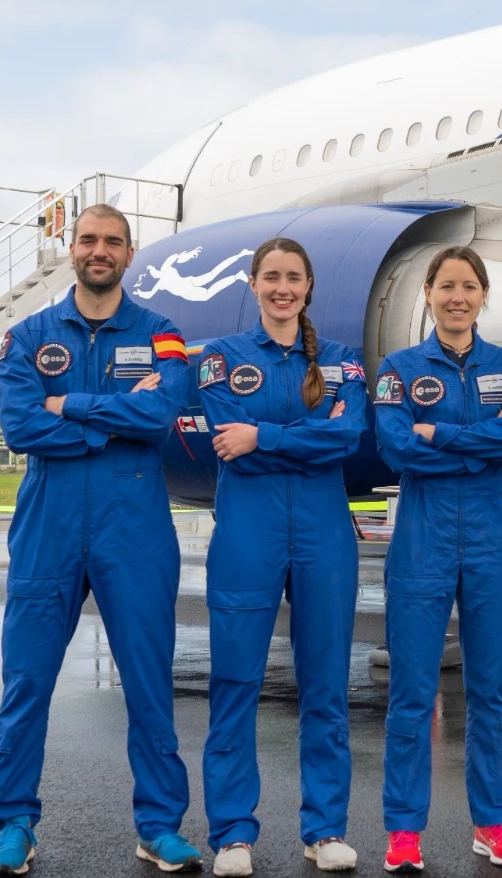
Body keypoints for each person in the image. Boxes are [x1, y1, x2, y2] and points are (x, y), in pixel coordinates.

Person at [0, 204, 200, 876]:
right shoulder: (27, 337)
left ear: (130, 254)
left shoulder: (164, 335)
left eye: (112, 241)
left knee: (147, 681)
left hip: (132, 526)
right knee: (27, 680)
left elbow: (161, 412)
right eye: (88, 240)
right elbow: (20, 426)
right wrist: (114, 426)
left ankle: (159, 827)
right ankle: (14, 821)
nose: (99, 250)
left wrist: (69, 405)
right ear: (70, 248)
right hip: (50, 524)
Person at [196, 237, 368, 877]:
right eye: (271, 277)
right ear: (253, 283)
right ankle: (233, 834)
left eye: (293, 277)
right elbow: (224, 437)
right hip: (248, 529)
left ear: (309, 285)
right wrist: (303, 441)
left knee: (325, 683)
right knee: (235, 681)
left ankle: (324, 829)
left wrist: (262, 435)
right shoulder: (219, 359)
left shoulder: (344, 362)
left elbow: (346, 437)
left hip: (324, 530)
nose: (282, 288)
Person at [372, 246, 502, 873]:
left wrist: (437, 433)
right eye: (446, 286)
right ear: (428, 293)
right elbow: (395, 448)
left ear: (482, 295)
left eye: (469, 286)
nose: (457, 297)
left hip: (492, 539)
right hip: (423, 535)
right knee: (413, 690)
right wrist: (478, 448)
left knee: (492, 690)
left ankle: (492, 824)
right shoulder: (399, 367)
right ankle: (403, 831)